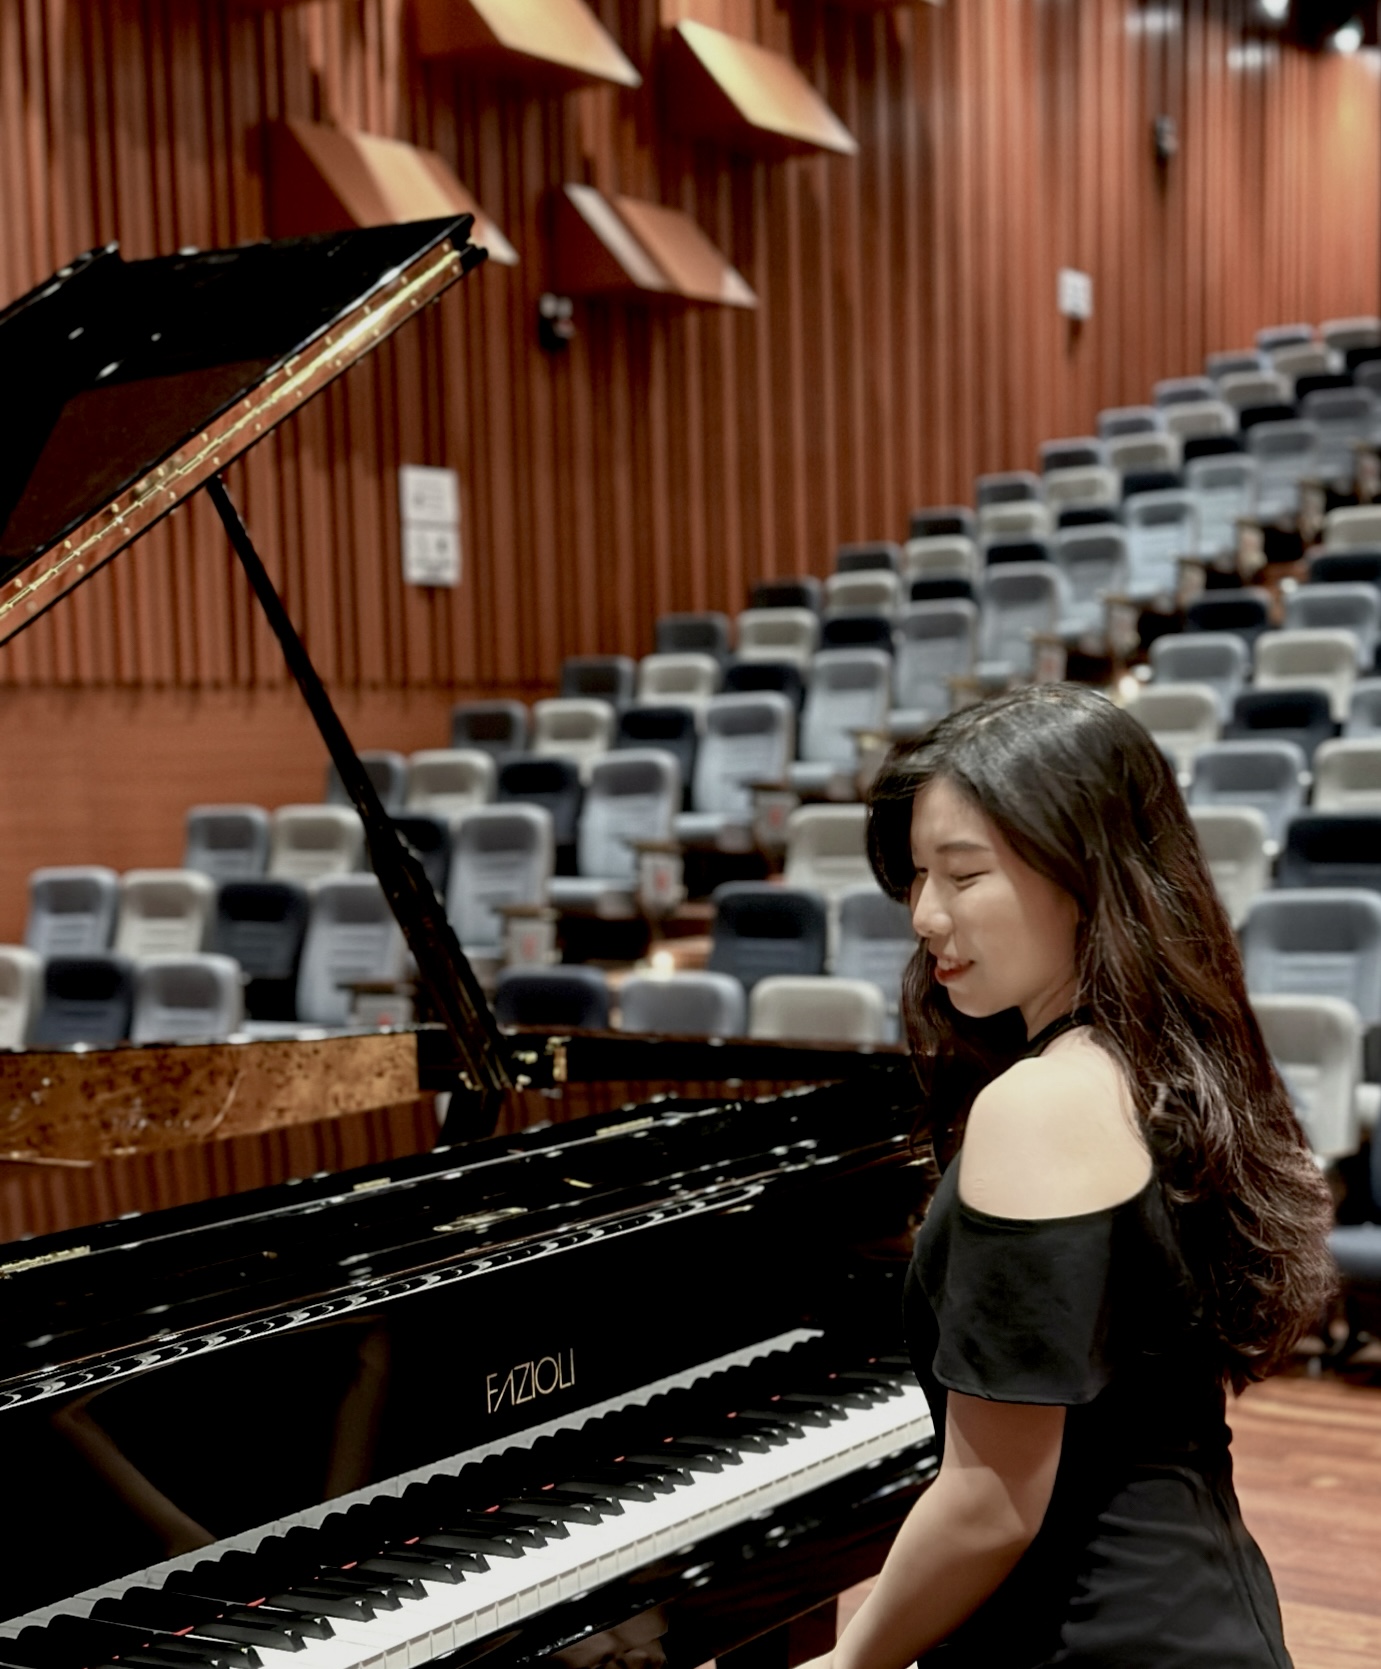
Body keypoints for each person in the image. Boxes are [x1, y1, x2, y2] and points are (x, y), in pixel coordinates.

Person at [825, 684, 1334, 1669]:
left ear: (1084, 873)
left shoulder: (1042, 1102)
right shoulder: (1167, 1065)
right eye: (918, 874)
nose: (924, 914)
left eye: (963, 873)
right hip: (1197, 1607)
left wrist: (847, 1661)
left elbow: (989, 1502)